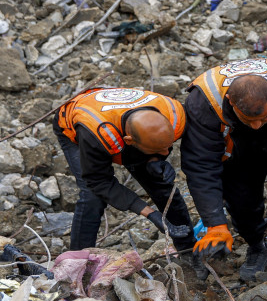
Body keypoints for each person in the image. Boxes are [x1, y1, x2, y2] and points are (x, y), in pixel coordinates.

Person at [183, 59, 267, 291]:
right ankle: (258, 247)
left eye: (262, 118)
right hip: (235, 143)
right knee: (240, 200)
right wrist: (216, 224)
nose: (256, 125)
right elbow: (201, 167)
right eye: (250, 119)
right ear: (230, 101)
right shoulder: (203, 103)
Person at [53, 87, 201, 272]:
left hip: (122, 124)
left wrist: (156, 160)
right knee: (92, 197)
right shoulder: (95, 132)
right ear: (128, 141)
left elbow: (163, 147)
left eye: (168, 147)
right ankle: (75, 265)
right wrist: (151, 214)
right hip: (75, 126)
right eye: (160, 150)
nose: (166, 152)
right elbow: (99, 181)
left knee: (160, 183)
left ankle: (188, 250)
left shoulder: (174, 113)